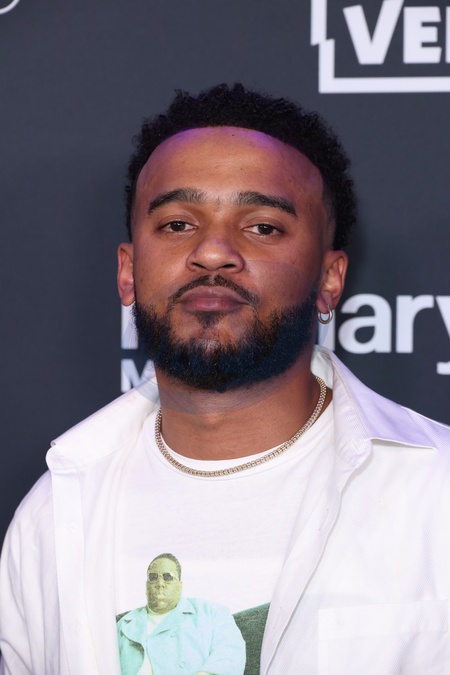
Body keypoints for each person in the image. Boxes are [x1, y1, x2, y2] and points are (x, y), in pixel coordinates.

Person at [1, 83, 450, 675]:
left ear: (329, 280)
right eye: (177, 223)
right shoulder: (54, 515)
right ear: (128, 272)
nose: (213, 252)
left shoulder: (436, 495)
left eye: (262, 227)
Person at [116, 553, 245, 675]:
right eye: (153, 577)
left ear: (180, 585)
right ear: (146, 585)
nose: (160, 584)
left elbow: (231, 652)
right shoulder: (124, 624)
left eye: (168, 577)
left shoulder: (210, 612)